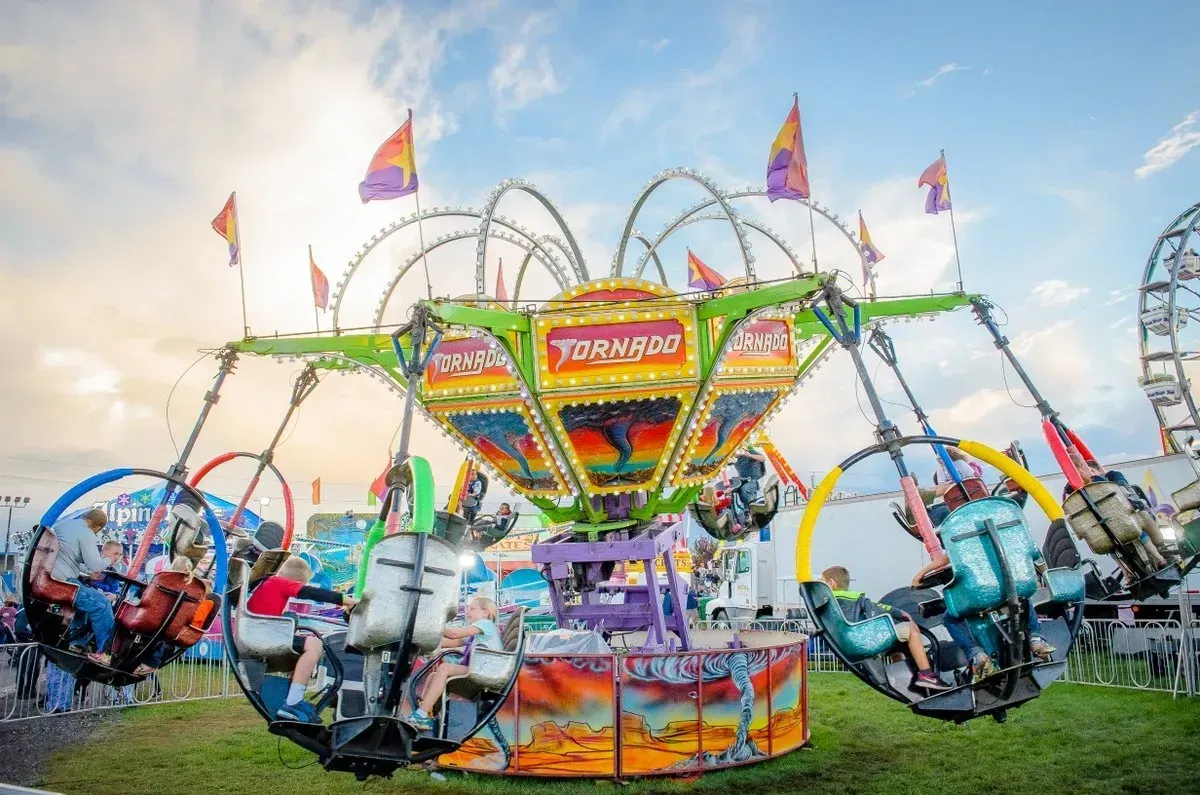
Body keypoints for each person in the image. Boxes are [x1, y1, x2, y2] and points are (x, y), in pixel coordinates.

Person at [245, 556, 357, 723]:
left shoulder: (267, 583)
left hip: (261, 632)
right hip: (264, 634)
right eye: (301, 584)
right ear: (298, 581)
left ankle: (292, 695)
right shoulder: (279, 583)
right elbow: (311, 593)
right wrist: (344, 599)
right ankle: (292, 702)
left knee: (303, 646)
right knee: (314, 645)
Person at [821, 566, 950, 692]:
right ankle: (927, 675)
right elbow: (877, 608)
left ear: (831, 584)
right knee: (911, 629)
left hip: (847, 642)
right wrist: (900, 613)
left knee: (896, 644)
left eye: (822, 581)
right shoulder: (855, 598)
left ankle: (902, 680)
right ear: (832, 583)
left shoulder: (828, 604)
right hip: (862, 641)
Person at [404, 596, 502, 732]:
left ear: (485, 612)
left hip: (486, 671)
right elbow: (450, 643)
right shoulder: (476, 633)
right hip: (480, 668)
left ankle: (421, 715)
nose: (468, 613)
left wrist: (431, 623)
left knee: (444, 668)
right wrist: (422, 642)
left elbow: (454, 634)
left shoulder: (486, 624)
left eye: (472, 609)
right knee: (433, 676)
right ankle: (425, 712)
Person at [52, 508, 117, 666]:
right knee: (102, 604)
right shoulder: (86, 532)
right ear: (97, 527)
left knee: (87, 600)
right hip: (65, 581)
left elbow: (70, 555)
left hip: (55, 576)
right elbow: (95, 563)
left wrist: (87, 573)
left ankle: (77, 643)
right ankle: (106, 653)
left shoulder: (62, 525)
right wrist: (109, 560)